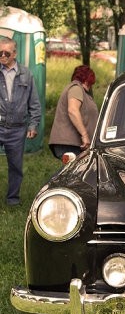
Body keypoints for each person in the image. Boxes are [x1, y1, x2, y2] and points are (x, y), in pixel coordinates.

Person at [0, 37, 41, 205]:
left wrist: (33, 124)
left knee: (16, 167)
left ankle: (12, 200)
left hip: (17, 129)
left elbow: (34, 102)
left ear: (15, 53)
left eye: (6, 53)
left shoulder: (26, 74)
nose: (2, 56)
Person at [49, 65, 98, 159]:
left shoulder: (81, 90)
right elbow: (73, 110)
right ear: (88, 79)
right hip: (71, 145)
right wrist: (85, 135)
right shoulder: (76, 88)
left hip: (74, 145)